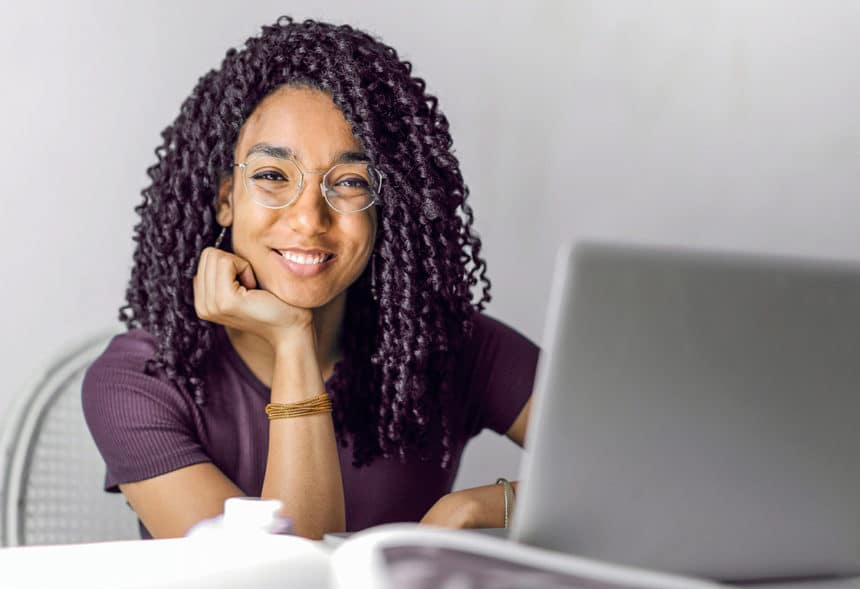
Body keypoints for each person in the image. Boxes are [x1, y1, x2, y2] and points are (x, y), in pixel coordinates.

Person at [82, 16, 539, 540]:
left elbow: (642, 472)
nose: (308, 219)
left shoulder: (450, 347)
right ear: (225, 198)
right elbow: (280, 588)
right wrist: (292, 338)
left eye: (348, 182)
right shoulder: (140, 380)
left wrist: (480, 508)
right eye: (273, 176)